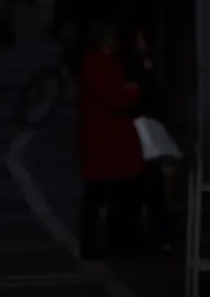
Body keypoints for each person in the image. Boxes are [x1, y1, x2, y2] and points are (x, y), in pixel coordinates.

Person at [78, 21, 144, 259]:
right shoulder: (96, 64)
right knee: (102, 194)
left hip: (110, 139)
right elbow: (116, 97)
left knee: (110, 193)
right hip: (106, 140)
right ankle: (98, 243)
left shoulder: (102, 63)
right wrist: (132, 91)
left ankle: (112, 241)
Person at [123, 27, 173, 251]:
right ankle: (157, 235)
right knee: (146, 188)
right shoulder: (134, 66)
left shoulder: (144, 64)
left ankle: (154, 234)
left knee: (146, 188)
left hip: (144, 131)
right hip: (139, 132)